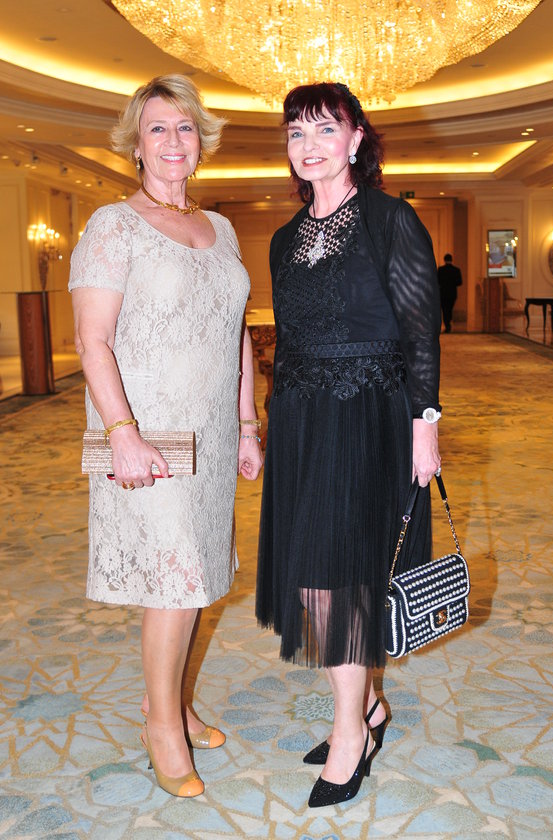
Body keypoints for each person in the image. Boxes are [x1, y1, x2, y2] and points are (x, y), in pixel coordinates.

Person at [69, 74, 263, 798]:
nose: (173, 141)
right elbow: (91, 340)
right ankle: (161, 726)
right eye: (158, 128)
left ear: (201, 141)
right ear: (136, 145)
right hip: (148, 434)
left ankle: (176, 704)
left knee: (198, 574)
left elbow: (236, 335)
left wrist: (247, 423)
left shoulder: (223, 230)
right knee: (175, 582)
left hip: (211, 434)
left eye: (185, 127)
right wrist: (122, 433)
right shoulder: (112, 226)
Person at [256, 82, 441, 808]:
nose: (309, 146)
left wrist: (425, 425)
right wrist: (269, 423)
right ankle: (369, 708)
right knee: (313, 572)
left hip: (370, 415)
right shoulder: (283, 238)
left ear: (357, 138)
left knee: (341, 579)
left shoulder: (392, 220)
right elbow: (288, 338)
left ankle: (348, 732)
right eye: (296, 133)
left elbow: (421, 331)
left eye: (324, 129)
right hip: (303, 419)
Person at [437, 253, 463, 332]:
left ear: (444, 260)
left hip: (443, 293)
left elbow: (437, 281)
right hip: (452, 293)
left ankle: (447, 324)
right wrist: (452, 283)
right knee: (450, 308)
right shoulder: (456, 270)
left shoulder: (441, 270)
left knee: (444, 309)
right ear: (451, 260)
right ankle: (448, 323)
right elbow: (460, 282)